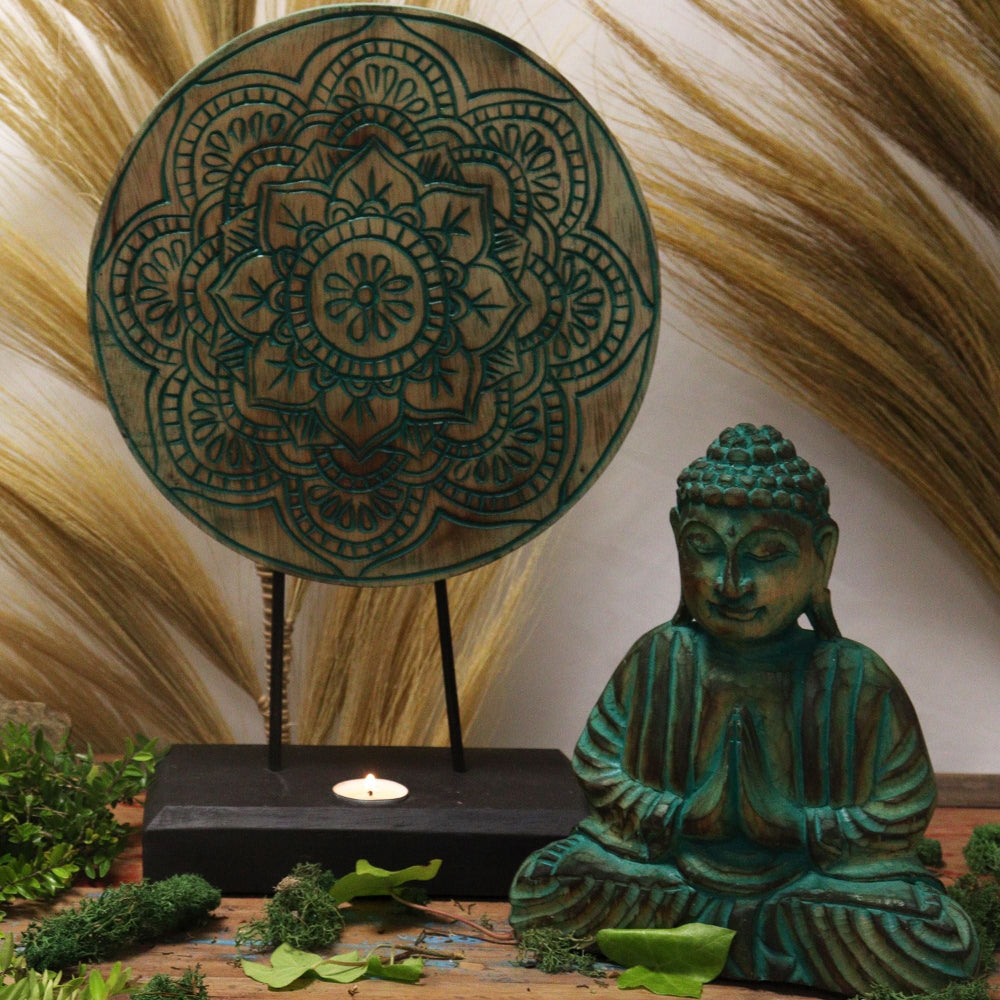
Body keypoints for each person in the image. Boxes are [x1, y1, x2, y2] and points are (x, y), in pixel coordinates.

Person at [508, 424, 980, 994]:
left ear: (821, 555)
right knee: (550, 881)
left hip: (809, 890)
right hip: (671, 876)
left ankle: (711, 936)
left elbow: (903, 806)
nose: (730, 583)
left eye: (765, 554)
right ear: (678, 542)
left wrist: (798, 824)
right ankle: (755, 941)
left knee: (930, 934)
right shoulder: (661, 657)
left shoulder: (854, 678)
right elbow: (598, 765)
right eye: (706, 549)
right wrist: (678, 818)